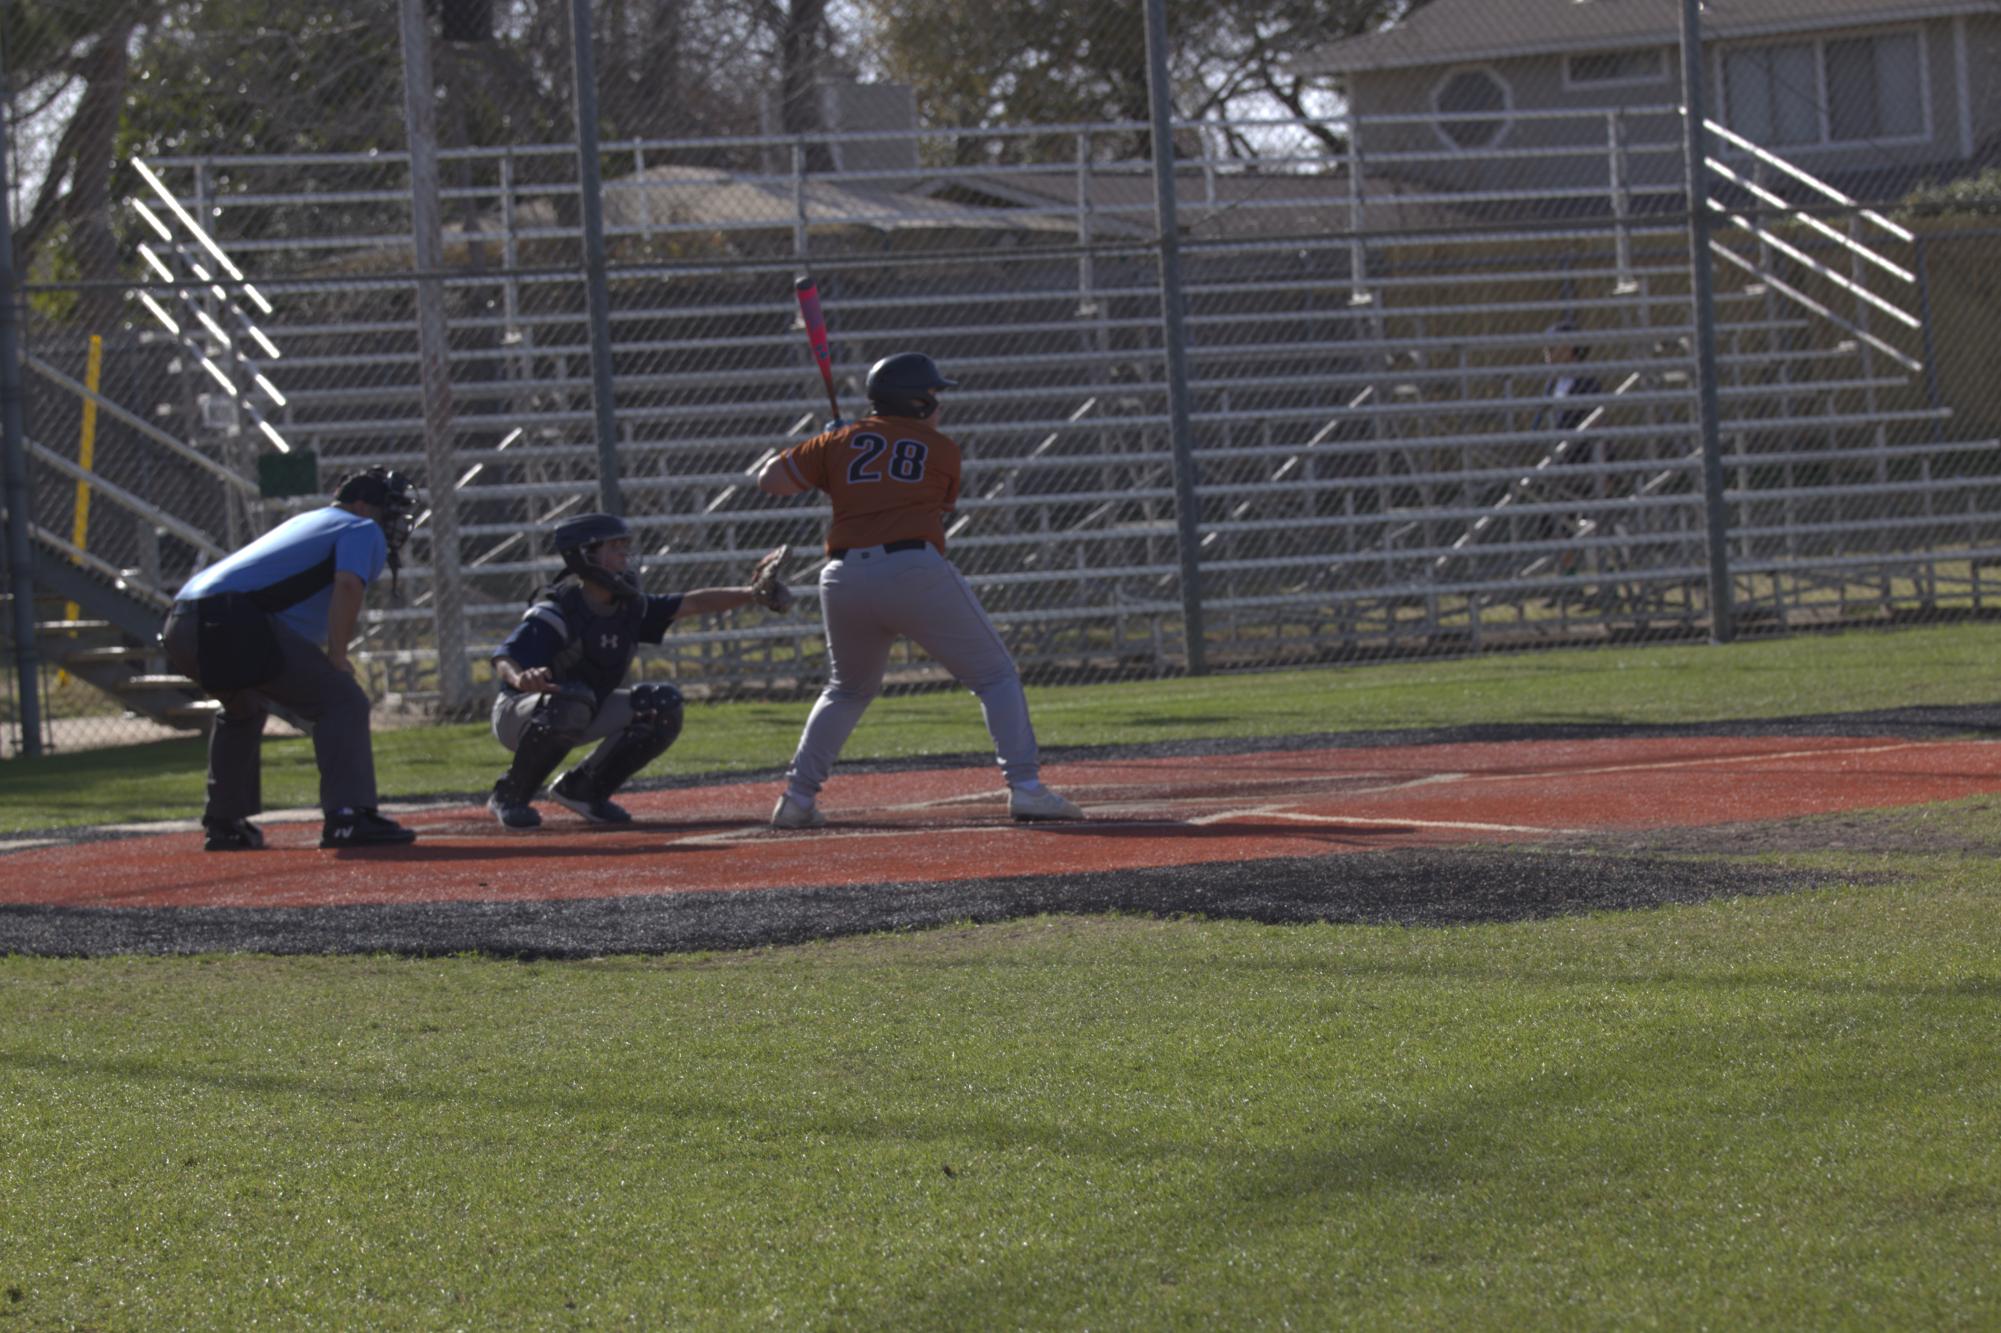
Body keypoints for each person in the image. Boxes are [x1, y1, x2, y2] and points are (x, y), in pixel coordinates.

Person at [754, 351, 1084, 828]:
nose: (937, 404)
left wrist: (827, 446)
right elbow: (934, 499)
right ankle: (1027, 788)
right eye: (932, 396)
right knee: (995, 677)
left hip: (842, 577)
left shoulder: (837, 441)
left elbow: (770, 481)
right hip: (912, 568)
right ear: (915, 403)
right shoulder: (942, 448)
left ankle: (797, 798)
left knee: (846, 690)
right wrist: (844, 449)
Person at [159, 466, 421, 851]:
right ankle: (348, 816)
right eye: (389, 510)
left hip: (181, 621)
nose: (393, 522)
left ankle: (225, 821)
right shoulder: (359, 526)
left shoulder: (311, 520)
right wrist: (337, 655)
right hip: (231, 620)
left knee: (244, 707)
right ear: (363, 505)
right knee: (342, 700)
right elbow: (347, 584)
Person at [485, 513, 791, 829]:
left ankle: (583, 789)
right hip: (519, 714)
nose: (624, 556)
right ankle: (510, 794)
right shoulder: (557, 611)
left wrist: (751, 594)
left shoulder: (629, 607)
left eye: (625, 547)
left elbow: (692, 604)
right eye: (614, 548)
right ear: (586, 555)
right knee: (573, 700)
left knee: (661, 705)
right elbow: (505, 657)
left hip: (580, 706)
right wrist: (521, 678)